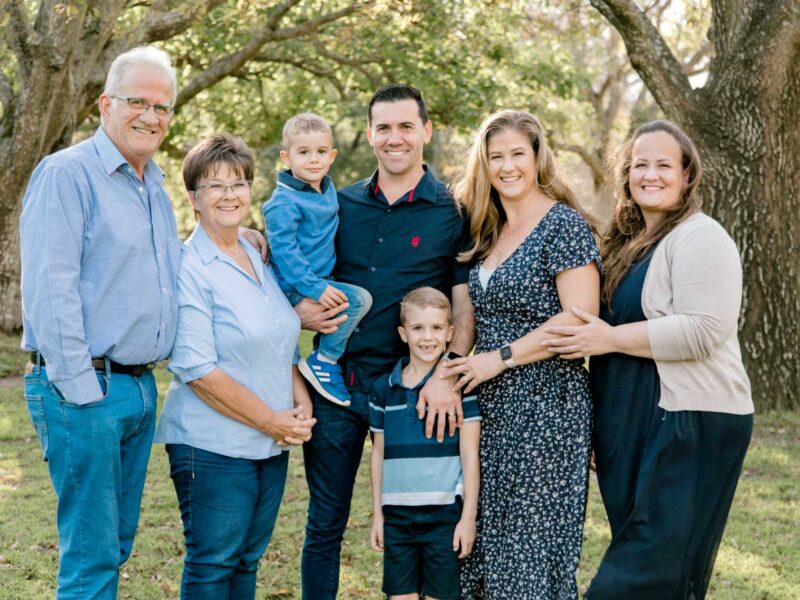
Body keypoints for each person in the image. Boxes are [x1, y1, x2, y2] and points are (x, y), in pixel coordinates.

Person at [18, 46, 266, 599]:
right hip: (86, 388)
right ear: (106, 104)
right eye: (138, 102)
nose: (150, 116)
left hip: (137, 388)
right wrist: (83, 391)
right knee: (92, 557)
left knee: (115, 544)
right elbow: (51, 292)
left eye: (162, 107)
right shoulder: (67, 174)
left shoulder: (151, 182)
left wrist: (232, 235)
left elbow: (161, 269)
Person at [542, 120, 753, 599]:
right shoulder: (623, 246)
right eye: (640, 165)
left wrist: (609, 338)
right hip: (628, 422)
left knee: (637, 576)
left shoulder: (702, 237)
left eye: (663, 165)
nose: (650, 175)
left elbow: (704, 330)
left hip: (691, 422)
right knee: (662, 577)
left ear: (686, 175)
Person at [294, 84, 475, 600]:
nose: (395, 138)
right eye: (384, 128)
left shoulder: (453, 211)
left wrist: (447, 375)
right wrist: (297, 309)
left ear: (426, 131)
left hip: (414, 396)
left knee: (426, 523)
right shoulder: (337, 202)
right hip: (338, 388)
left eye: (406, 127)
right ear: (370, 133)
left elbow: (463, 308)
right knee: (324, 523)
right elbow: (295, 267)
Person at [441, 109, 601, 598]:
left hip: (547, 408)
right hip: (490, 411)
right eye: (496, 157)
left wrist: (500, 357)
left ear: (537, 158)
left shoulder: (562, 225)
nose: (507, 166)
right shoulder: (488, 231)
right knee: (485, 551)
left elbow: (580, 316)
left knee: (528, 554)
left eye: (517, 154)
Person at [154, 133, 316, 598]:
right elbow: (198, 370)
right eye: (215, 186)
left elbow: (280, 338)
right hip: (213, 446)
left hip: (270, 442)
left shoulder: (256, 254)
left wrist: (300, 401)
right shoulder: (189, 266)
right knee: (213, 564)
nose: (229, 195)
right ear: (193, 198)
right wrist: (272, 420)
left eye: (239, 183)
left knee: (247, 562)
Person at [369, 287, 481, 600]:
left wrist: (468, 518)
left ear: (450, 333)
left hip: (445, 517)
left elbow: (470, 455)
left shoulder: (461, 388)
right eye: (418, 328)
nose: (427, 337)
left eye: (436, 328)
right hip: (397, 518)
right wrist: (378, 515)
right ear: (403, 334)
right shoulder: (384, 388)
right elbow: (378, 453)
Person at [263, 112, 372, 406]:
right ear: (286, 157)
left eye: (321, 152)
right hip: (294, 286)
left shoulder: (326, 190)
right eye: (304, 152)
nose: (314, 159)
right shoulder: (282, 203)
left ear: (332, 156)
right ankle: (324, 360)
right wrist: (315, 288)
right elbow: (286, 254)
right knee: (358, 300)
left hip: (320, 280)